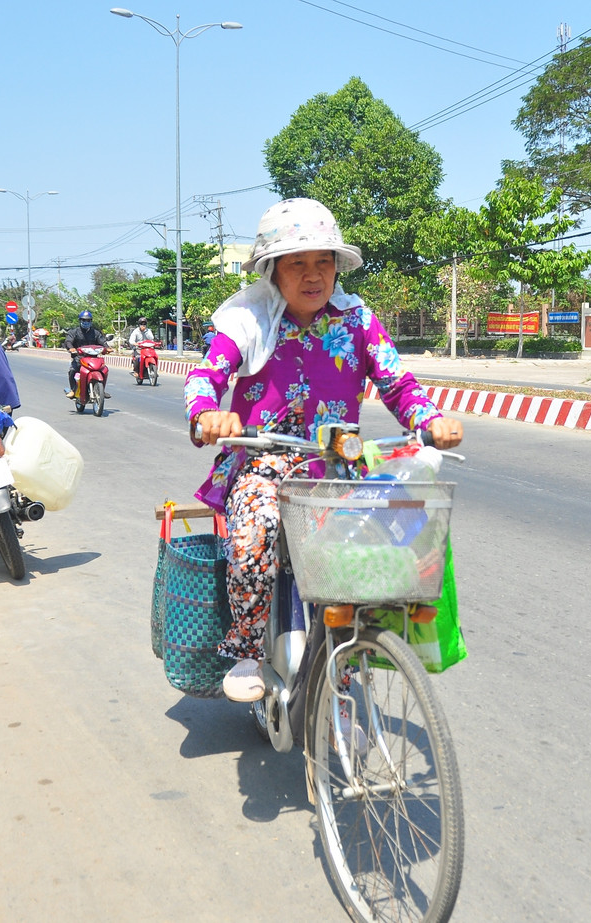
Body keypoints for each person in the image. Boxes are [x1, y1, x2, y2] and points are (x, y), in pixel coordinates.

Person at [183, 197, 464, 702]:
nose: (313, 276)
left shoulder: (357, 319)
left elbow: (398, 384)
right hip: (264, 462)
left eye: (323, 262)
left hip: (338, 466)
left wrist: (431, 420)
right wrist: (208, 413)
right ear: (272, 270)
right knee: (255, 533)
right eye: (297, 263)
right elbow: (206, 374)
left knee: (382, 547)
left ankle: (350, 676)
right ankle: (247, 646)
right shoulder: (247, 320)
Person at [64, 309, 107, 398]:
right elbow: (68, 341)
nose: (86, 322)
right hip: (79, 358)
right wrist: (71, 348)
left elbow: (102, 341)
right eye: (84, 320)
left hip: (94, 359)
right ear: (80, 321)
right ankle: (73, 390)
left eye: (88, 320)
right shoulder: (74, 332)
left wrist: (107, 348)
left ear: (91, 321)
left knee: (104, 370)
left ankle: (102, 390)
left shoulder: (95, 333)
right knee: (72, 370)